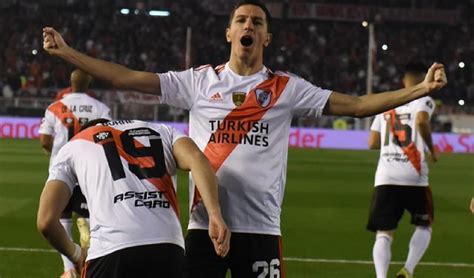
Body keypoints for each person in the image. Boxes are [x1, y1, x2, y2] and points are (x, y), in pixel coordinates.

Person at [42, 1, 447, 276]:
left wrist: (419, 91)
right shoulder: (198, 82)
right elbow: (126, 77)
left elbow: (358, 105)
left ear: (267, 37)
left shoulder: (288, 88)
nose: (248, 25)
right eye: (241, 20)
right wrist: (68, 53)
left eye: (257, 21)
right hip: (205, 227)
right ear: (228, 33)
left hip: (262, 230)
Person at [37, 119, 230, 277]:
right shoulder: (164, 130)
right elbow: (198, 159)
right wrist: (214, 213)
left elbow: (46, 221)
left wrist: (76, 254)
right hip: (169, 248)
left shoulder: (74, 145)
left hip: (110, 251)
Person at [367, 62, 438, 278]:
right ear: (423, 77)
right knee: (424, 226)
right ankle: (408, 269)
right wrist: (431, 150)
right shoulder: (424, 99)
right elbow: (421, 121)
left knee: (384, 233)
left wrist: (391, 145)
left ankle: (381, 276)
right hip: (414, 175)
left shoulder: (387, 102)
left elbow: (372, 142)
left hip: (386, 176)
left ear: (404, 80)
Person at [38, 69, 111, 278]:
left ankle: (69, 268)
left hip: (62, 171)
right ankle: (94, 262)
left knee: (62, 217)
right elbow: (107, 139)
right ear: (89, 84)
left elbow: (44, 139)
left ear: (70, 83)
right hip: (89, 169)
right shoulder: (100, 108)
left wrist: (56, 151)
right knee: (92, 217)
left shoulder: (55, 108)